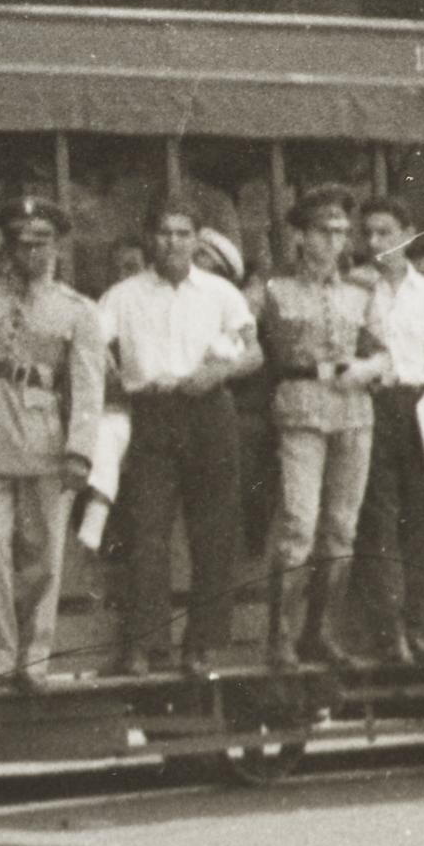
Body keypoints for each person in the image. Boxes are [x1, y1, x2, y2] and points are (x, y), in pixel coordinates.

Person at [100, 202, 259, 674]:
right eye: (164, 232)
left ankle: (201, 645)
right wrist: (118, 377)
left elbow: (254, 353)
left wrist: (217, 374)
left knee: (213, 532)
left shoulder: (220, 293)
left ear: (196, 239)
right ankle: (145, 644)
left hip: (208, 410)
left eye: (183, 233)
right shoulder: (122, 295)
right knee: (147, 531)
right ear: (150, 239)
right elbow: (95, 351)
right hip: (151, 411)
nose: (173, 241)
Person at [0, 200, 108, 684]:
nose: (30, 250)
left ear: (56, 244)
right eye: (21, 239)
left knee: (43, 558)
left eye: (41, 239)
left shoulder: (77, 310)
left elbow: (87, 386)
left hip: (44, 437)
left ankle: (34, 659)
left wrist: (81, 451)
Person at [255, 187, 376, 667]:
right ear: (302, 236)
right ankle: (279, 635)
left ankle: (318, 631)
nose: (336, 241)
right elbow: (236, 330)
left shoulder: (361, 293)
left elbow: (385, 350)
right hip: (301, 407)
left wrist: (368, 369)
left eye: (342, 232)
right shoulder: (274, 290)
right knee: (298, 525)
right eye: (325, 232)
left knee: (342, 530)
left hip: (353, 411)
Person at [342, 194, 424, 663]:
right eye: (368, 233)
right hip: (372, 404)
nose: (375, 242)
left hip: (420, 405)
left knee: (423, 523)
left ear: (408, 236)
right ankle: (390, 631)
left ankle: (416, 624)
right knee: (379, 521)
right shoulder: (355, 289)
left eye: (385, 232)